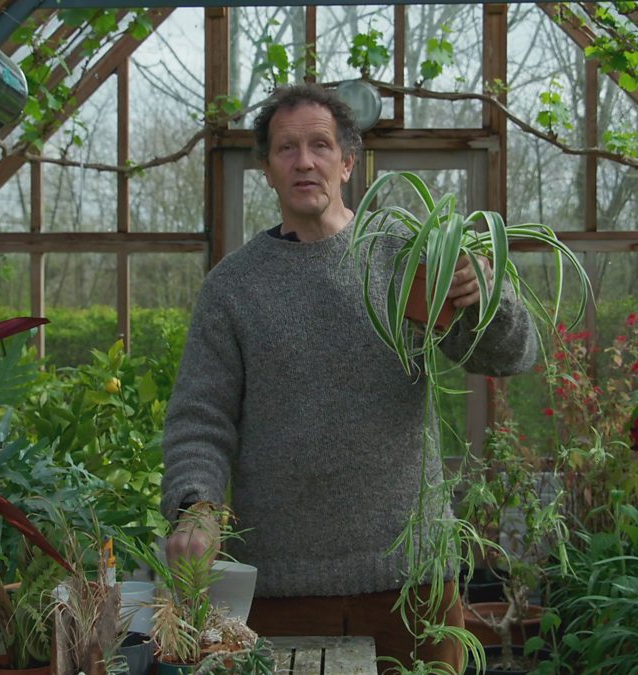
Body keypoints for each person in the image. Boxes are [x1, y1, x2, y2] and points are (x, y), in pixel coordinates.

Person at [159, 83, 538, 673]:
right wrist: (196, 505)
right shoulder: (233, 288)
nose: (304, 161)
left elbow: (510, 356)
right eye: (286, 148)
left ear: (347, 162)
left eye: (320, 145)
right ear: (267, 169)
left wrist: (488, 291)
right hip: (281, 588)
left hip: (413, 582)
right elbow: (200, 418)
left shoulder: (406, 257)